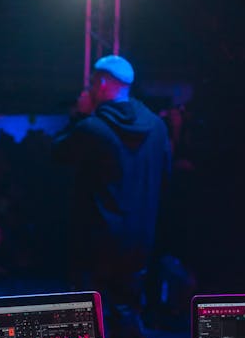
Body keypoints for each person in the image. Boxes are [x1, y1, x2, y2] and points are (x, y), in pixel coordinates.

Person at [53, 54, 171, 306]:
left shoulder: (92, 128)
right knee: (128, 313)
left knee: (90, 317)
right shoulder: (157, 127)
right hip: (140, 241)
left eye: (92, 83)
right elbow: (165, 180)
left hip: (96, 244)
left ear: (103, 84)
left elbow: (57, 153)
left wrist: (79, 115)